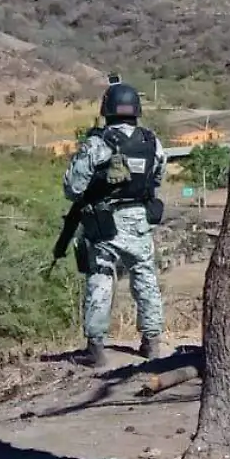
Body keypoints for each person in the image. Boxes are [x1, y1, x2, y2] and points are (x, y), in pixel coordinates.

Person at [64, 77, 168, 367]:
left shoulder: (97, 143)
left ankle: (96, 348)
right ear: (136, 110)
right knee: (145, 276)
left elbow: (72, 188)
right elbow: (156, 179)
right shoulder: (152, 142)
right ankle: (152, 343)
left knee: (100, 276)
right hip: (139, 219)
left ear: (107, 110)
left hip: (104, 220)